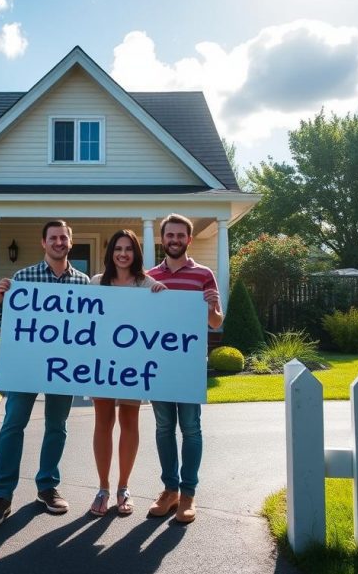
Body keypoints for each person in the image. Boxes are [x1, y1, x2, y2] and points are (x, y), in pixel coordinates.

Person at [0, 220, 90, 528]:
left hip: (64, 368)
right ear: (44, 243)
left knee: (57, 426)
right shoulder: (23, 277)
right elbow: (8, 323)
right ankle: (1, 496)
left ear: (71, 241)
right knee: (13, 424)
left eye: (63, 237)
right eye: (53, 238)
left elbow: (90, 330)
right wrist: (2, 302)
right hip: (26, 365)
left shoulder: (83, 283)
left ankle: (47, 487)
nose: (58, 242)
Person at [145, 213, 224, 524]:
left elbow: (217, 322)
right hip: (159, 365)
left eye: (180, 235)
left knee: (190, 429)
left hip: (189, 364)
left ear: (188, 240)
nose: (174, 240)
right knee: (164, 429)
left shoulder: (203, 274)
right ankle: (169, 490)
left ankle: (188, 494)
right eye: (170, 235)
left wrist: (207, 307)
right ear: (162, 239)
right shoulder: (150, 276)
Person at [87, 230, 166, 517]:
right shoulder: (97, 282)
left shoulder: (147, 283)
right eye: (118, 248)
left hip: (133, 365)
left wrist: (163, 297)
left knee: (129, 421)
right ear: (110, 253)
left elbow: (160, 318)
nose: (123, 253)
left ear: (136, 253)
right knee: (103, 422)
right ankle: (103, 488)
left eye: (128, 249)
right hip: (102, 364)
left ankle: (123, 487)